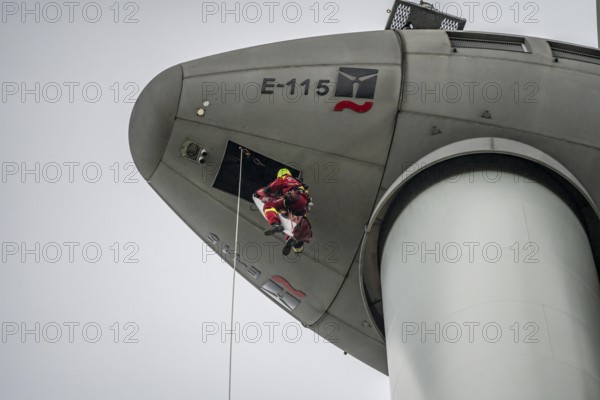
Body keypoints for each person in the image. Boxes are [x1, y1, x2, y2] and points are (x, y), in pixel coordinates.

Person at [254, 168, 312, 255]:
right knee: (293, 221)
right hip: (303, 204)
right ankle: (297, 247)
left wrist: (257, 194)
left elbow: (269, 189)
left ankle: (275, 224)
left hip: (293, 198)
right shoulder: (299, 183)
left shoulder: (284, 178)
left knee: (269, 206)